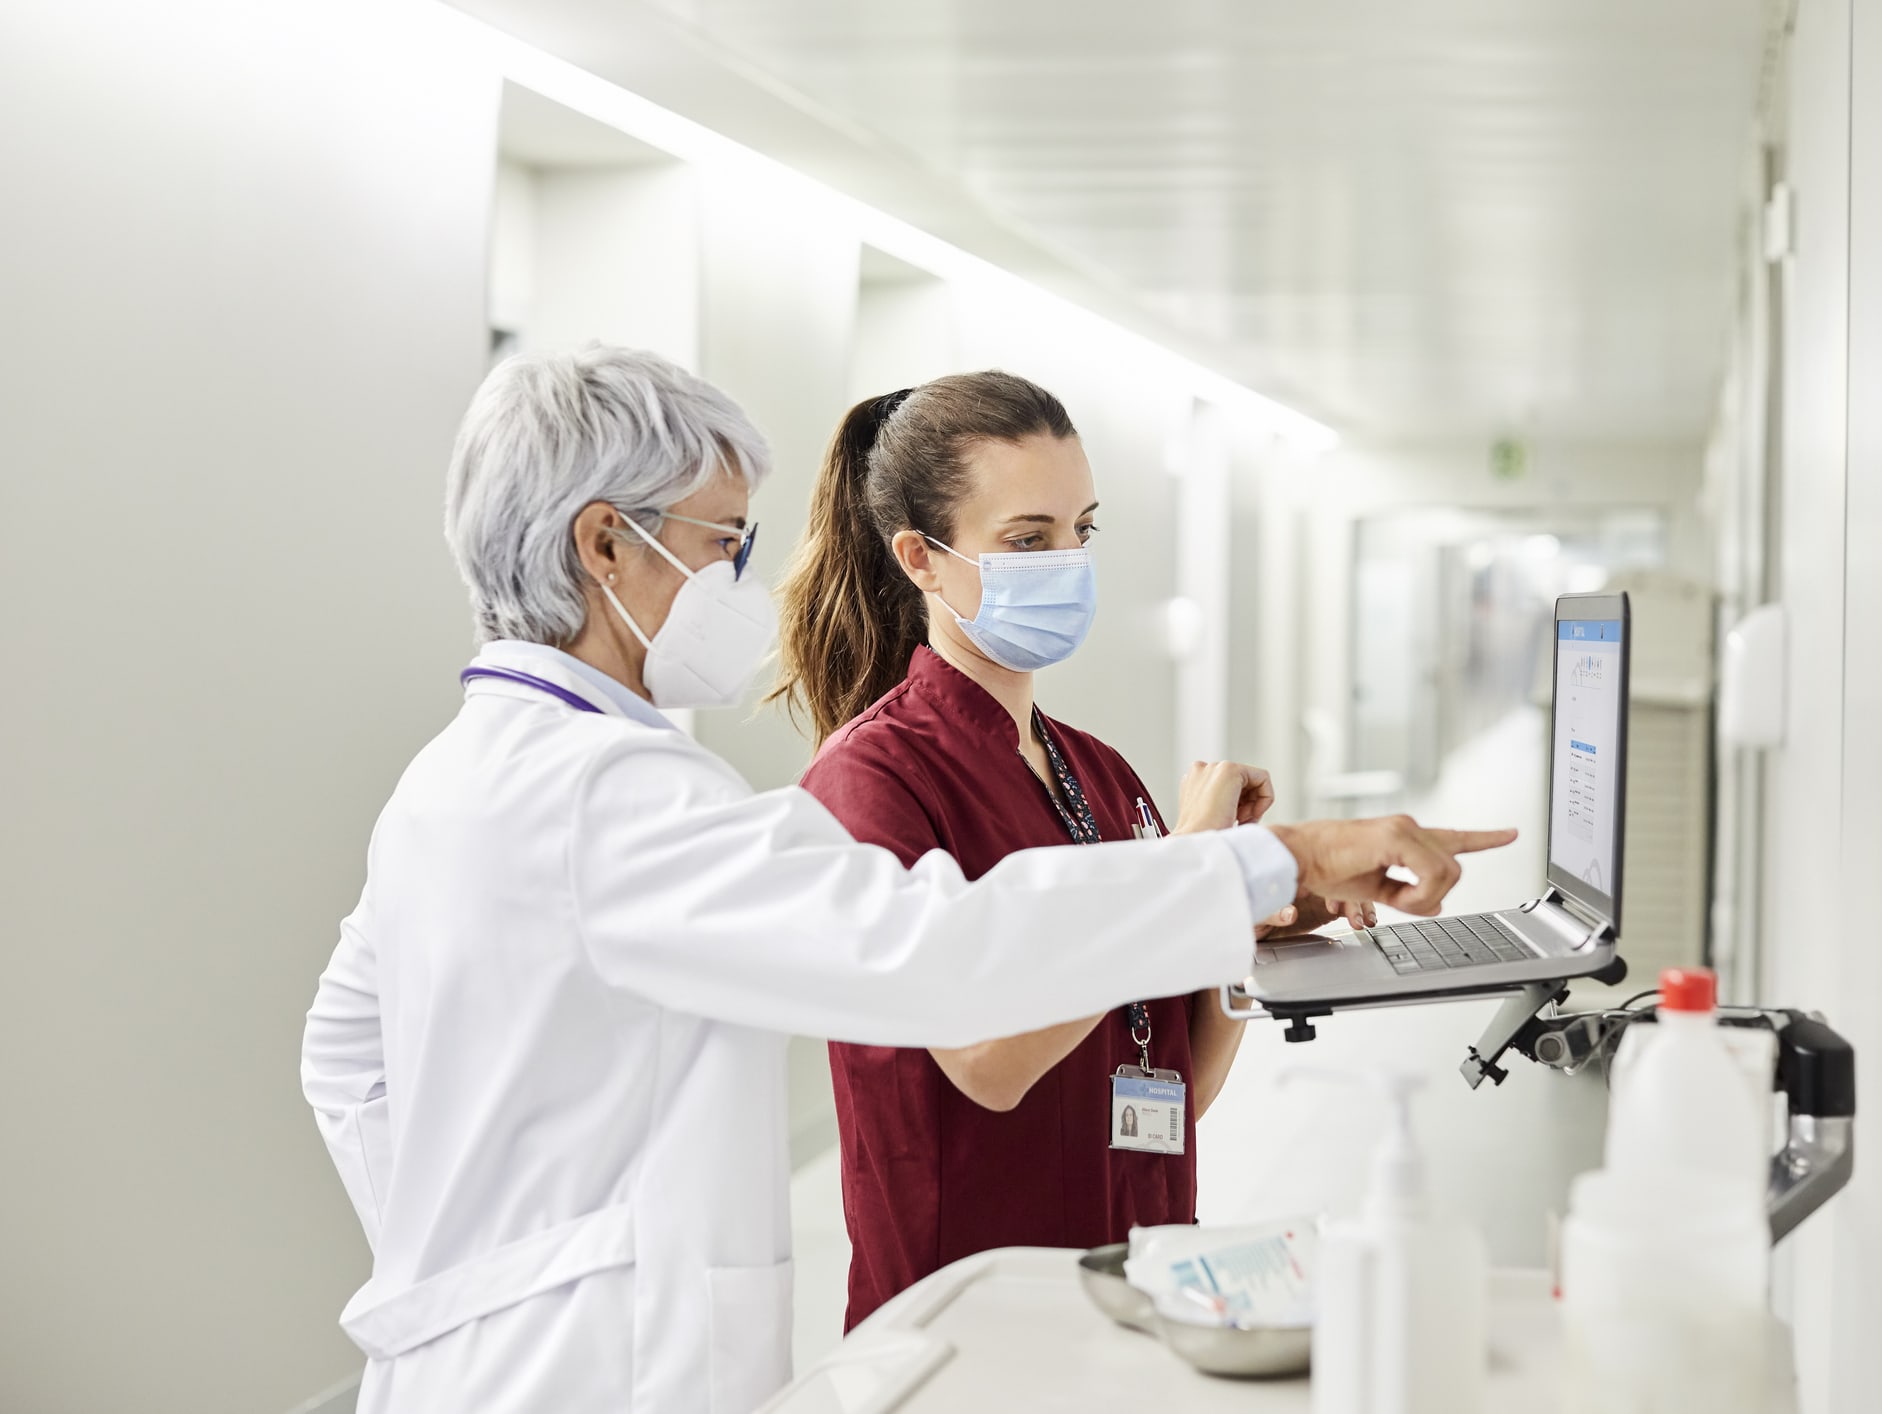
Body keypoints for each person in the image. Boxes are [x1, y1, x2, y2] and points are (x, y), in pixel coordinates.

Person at [298, 344, 1516, 1414]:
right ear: (605, 542)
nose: (739, 577)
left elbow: (343, 1054)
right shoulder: (611, 795)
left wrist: (470, 1253)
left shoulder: (457, 778)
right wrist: (1262, 861)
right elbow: (942, 961)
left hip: (501, 1351)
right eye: (723, 540)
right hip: (582, 1370)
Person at [768, 372, 1505, 1331]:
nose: (1067, 560)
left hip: (1142, 1270)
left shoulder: (1098, 774)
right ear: (922, 559)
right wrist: (1195, 867)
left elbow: (1177, 1085)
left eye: (1083, 529)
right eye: (1027, 540)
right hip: (973, 1312)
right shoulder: (872, 782)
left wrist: (1244, 924)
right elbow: (989, 1064)